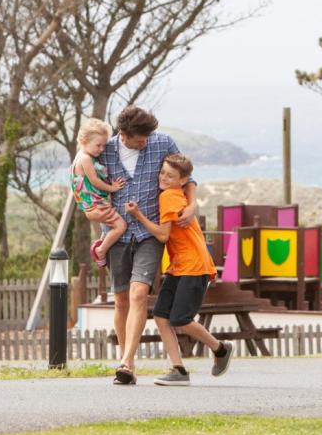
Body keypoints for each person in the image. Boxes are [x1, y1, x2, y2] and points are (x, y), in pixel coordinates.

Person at [98, 106, 198, 385]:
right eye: (139, 139)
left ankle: (127, 364)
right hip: (115, 234)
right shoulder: (104, 151)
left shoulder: (162, 143)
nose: (145, 142)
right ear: (123, 134)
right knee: (120, 300)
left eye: (147, 137)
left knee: (139, 293)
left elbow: (187, 176)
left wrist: (193, 203)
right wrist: (92, 210)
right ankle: (125, 359)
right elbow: (82, 182)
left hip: (150, 234)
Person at [126, 154, 234, 385]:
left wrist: (138, 215)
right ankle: (178, 369)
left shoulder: (169, 197)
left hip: (193, 266)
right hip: (178, 266)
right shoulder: (176, 194)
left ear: (183, 180)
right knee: (161, 315)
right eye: (163, 172)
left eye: (171, 175)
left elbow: (163, 235)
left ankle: (221, 349)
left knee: (181, 319)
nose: (164, 177)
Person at [69, 118, 127, 267]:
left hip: (89, 204)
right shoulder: (86, 159)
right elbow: (94, 180)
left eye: (103, 145)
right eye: (98, 145)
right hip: (96, 203)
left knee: (110, 225)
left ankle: (101, 242)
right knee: (121, 226)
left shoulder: (78, 157)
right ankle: (101, 250)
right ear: (83, 141)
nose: (101, 149)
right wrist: (112, 188)